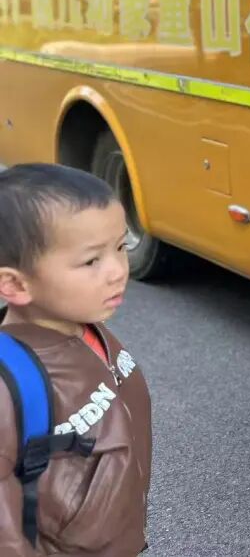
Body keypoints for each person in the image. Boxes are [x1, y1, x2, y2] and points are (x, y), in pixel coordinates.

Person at [0, 164, 151, 556]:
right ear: (15, 284)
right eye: (91, 261)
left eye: (119, 247)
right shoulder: (10, 380)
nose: (118, 271)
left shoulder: (86, 327)